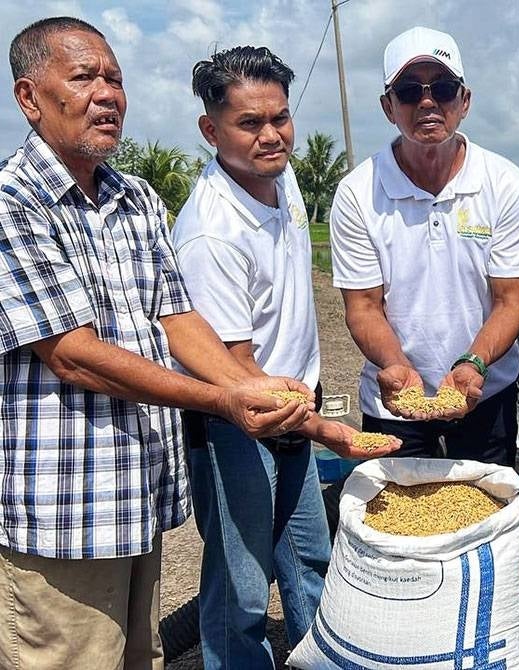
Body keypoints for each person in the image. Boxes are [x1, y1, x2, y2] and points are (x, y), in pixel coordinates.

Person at [0, 17, 313, 670]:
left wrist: (247, 386)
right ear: (29, 97)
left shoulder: (134, 197)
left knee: (141, 656)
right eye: (84, 77)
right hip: (61, 511)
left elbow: (177, 317)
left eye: (114, 78)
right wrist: (222, 401)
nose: (108, 93)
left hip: (133, 496)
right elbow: (73, 354)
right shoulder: (13, 203)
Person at [171, 47, 400, 669]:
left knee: (311, 561)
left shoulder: (282, 178)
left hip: (294, 411)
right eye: (249, 123)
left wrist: (314, 407)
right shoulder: (212, 231)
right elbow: (235, 370)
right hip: (236, 426)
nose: (271, 135)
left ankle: (318, 658)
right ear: (210, 130)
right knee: (241, 588)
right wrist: (331, 431)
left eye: (280, 117)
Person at [330, 26, 519, 465]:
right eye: (409, 91)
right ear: (389, 107)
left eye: (442, 88)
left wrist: (474, 364)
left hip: (484, 390)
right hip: (395, 399)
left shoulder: (505, 183)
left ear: (464, 101)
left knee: (485, 520)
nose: (427, 102)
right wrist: (396, 365)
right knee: (399, 526)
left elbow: (510, 300)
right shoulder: (357, 191)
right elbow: (364, 306)